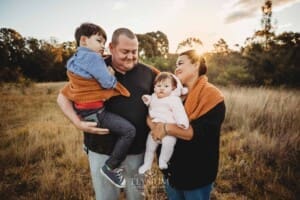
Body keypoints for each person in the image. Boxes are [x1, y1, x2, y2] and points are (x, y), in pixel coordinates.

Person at [57, 27, 158, 200]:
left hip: (137, 152)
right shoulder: (91, 67)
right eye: (125, 51)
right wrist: (77, 122)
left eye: (135, 52)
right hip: (101, 150)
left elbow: (171, 88)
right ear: (111, 47)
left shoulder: (148, 72)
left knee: (137, 196)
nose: (131, 56)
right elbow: (62, 96)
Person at [149, 49, 226, 200]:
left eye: (180, 63)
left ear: (196, 64)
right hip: (172, 172)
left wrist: (167, 128)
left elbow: (199, 133)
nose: (176, 67)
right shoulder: (173, 95)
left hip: (197, 174)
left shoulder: (212, 96)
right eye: (175, 64)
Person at [138, 72, 189, 174]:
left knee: (168, 145)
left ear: (173, 88)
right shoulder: (154, 96)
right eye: (158, 86)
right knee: (149, 147)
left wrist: (182, 122)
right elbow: (149, 101)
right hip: (155, 127)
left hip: (169, 129)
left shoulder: (174, 99)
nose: (161, 88)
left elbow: (179, 111)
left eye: (166, 86)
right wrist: (146, 99)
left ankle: (163, 160)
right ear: (154, 87)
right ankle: (147, 164)